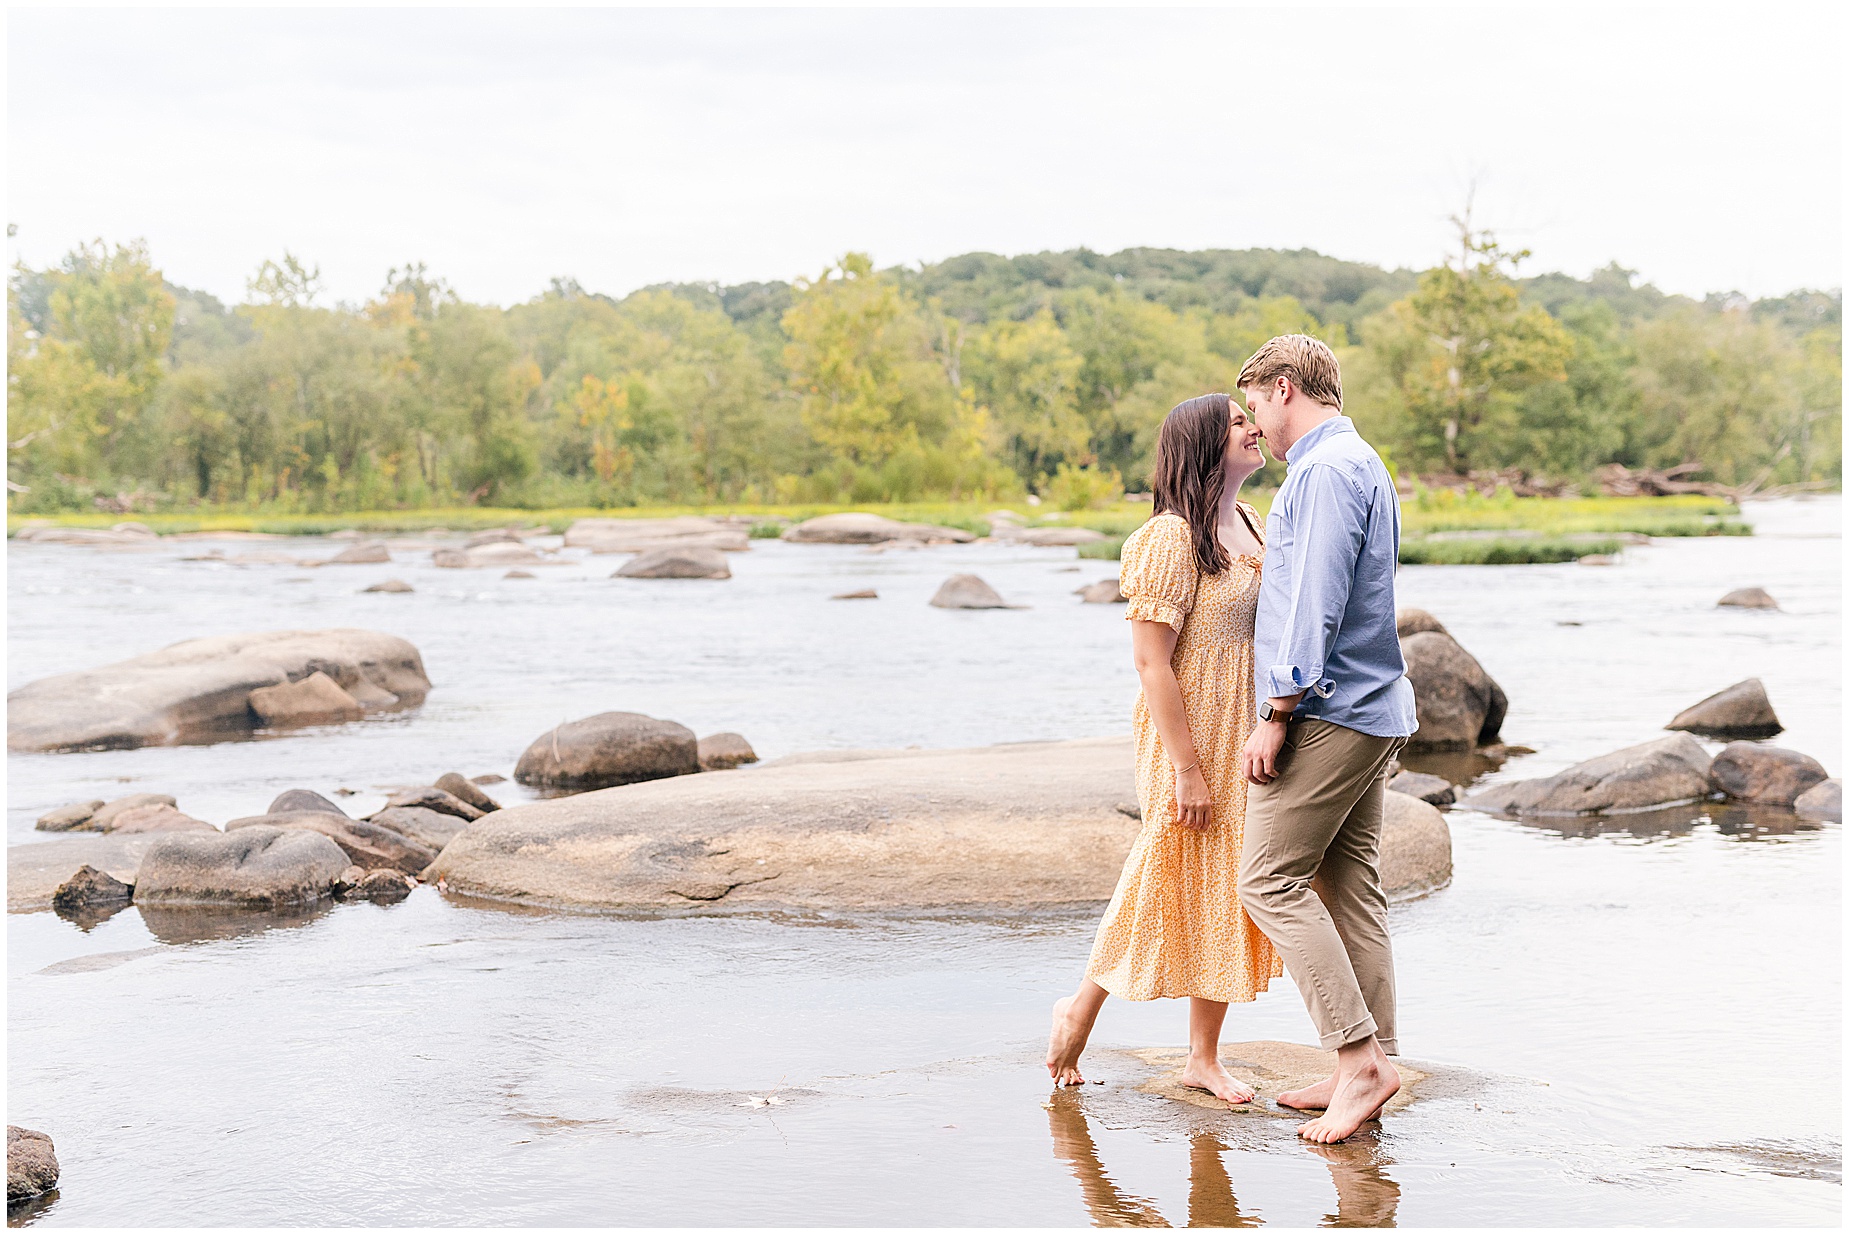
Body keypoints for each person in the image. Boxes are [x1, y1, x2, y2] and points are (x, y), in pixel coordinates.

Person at [1046, 393, 1282, 1103]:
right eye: (1238, 421)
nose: (1253, 427)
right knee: (1165, 859)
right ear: (1206, 445)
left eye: (1251, 417)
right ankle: (1079, 1008)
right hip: (1187, 728)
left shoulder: (1250, 522)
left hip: (1242, 718)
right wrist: (1186, 767)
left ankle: (1201, 1057)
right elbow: (1152, 663)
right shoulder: (1168, 538)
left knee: (1225, 877)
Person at [1233, 334, 1418, 1144]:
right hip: (1369, 704)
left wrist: (1276, 714)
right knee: (1350, 886)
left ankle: (1358, 1060)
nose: (1256, 429)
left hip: (1332, 708)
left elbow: (1315, 601)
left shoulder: (1322, 470)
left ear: (1283, 389)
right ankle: (1374, 1061)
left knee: (1266, 881)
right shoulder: (1358, 462)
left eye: (1254, 410)